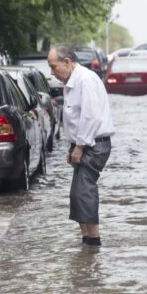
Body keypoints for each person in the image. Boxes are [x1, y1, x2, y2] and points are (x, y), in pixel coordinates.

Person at [47, 45, 115, 248]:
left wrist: (80, 147)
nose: (52, 72)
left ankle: (94, 242)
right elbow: (75, 118)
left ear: (67, 62)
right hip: (84, 144)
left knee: (84, 191)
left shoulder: (85, 80)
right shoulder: (73, 81)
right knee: (77, 193)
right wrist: (73, 147)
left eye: (53, 66)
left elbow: (91, 116)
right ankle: (86, 241)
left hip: (94, 145)